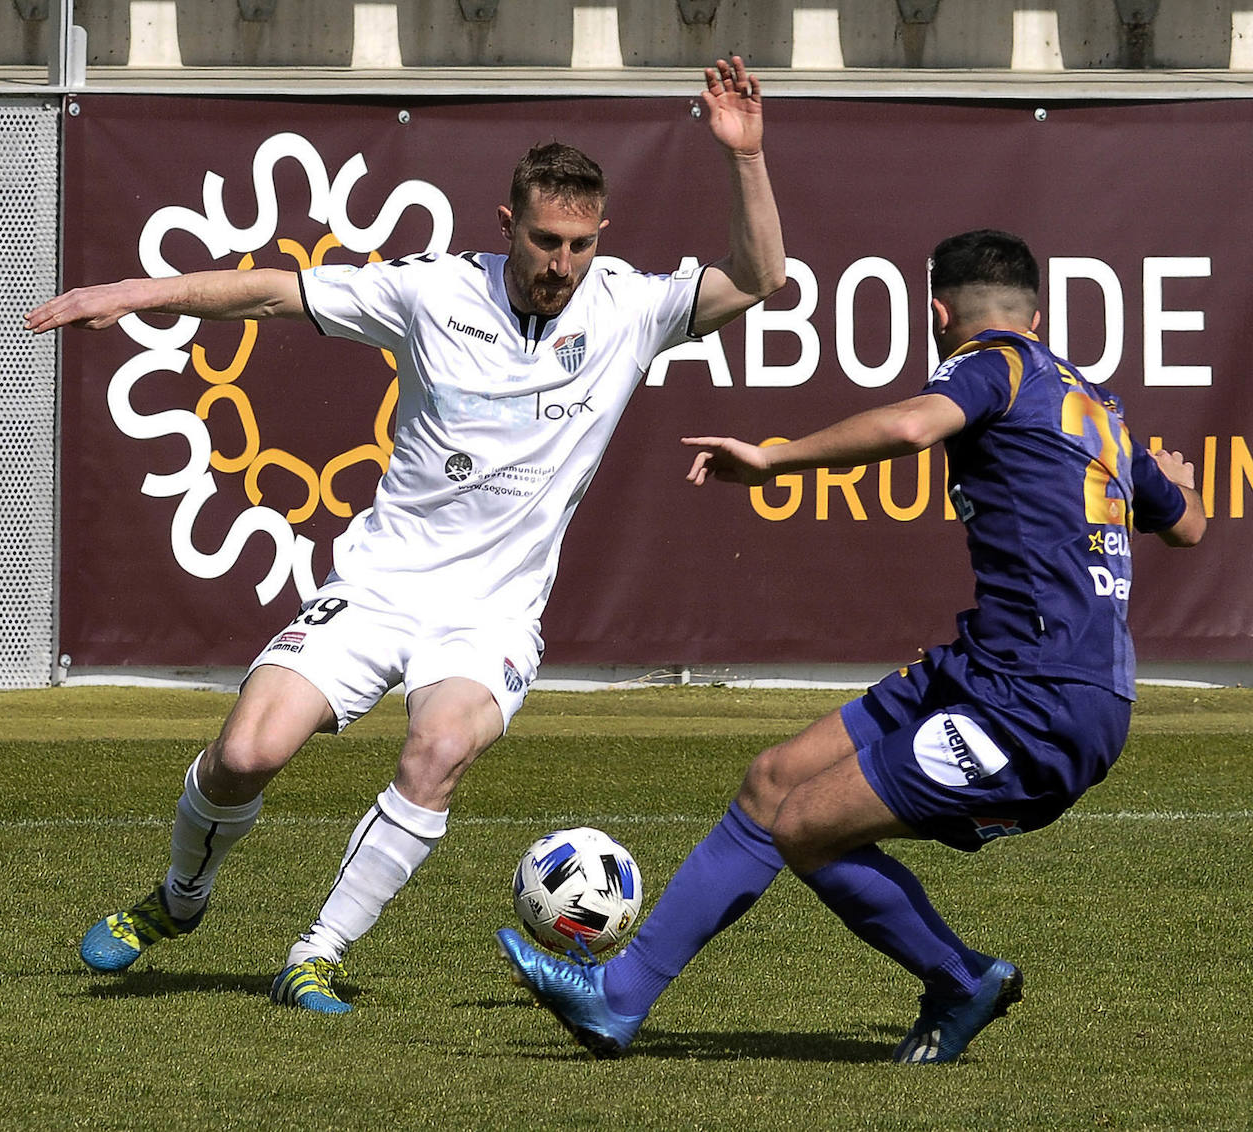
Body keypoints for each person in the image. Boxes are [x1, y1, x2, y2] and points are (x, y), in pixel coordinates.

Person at [25, 56, 785, 1013]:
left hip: (492, 614)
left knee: (439, 748)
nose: (562, 265)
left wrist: (744, 156)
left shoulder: (629, 306)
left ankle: (316, 954)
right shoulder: (433, 293)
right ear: (505, 226)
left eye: (582, 245)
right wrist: (135, 294)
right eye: (546, 241)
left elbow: (760, 277)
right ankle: (179, 899)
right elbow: (271, 291)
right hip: (380, 585)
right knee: (246, 754)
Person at [497, 228, 1207, 1063]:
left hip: (1038, 704)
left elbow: (909, 427)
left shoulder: (989, 366)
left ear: (936, 315)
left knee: (805, 825)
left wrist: (774, 460)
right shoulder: (1095, 405)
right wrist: (1180, 485)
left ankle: (960, 980)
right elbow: (1187, 526)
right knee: (774, 782)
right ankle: (617, 1001)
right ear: (1039, 316)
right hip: (988, 669)